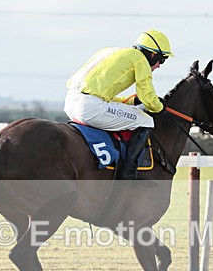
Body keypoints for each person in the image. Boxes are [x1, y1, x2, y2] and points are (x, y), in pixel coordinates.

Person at [64, 30, 173, 180]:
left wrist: (130, 101)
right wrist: (160, 107)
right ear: (153, 54)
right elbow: (148, 98)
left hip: (71, 103)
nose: (159, 65)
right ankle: (128, 173)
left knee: (133, 111)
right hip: (90, 107)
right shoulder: (140, 60)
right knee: (146, 120)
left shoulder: (109, 51)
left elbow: (99, 93)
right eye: (162, 59)